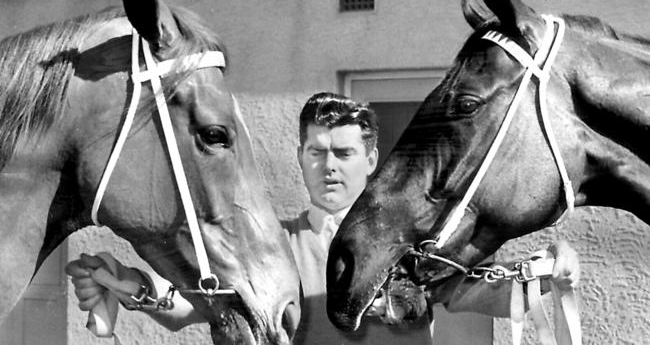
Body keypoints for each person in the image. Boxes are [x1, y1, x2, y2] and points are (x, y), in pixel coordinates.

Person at [66, 92, 580, 344]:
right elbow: (190, 306)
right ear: (299, 157)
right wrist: (133, 283)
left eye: (343, 152)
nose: (328, 166)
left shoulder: (413, 247)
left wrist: (547, 270)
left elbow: (485, 292)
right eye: (316, 152)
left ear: (371, 160)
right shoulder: (271, 250)